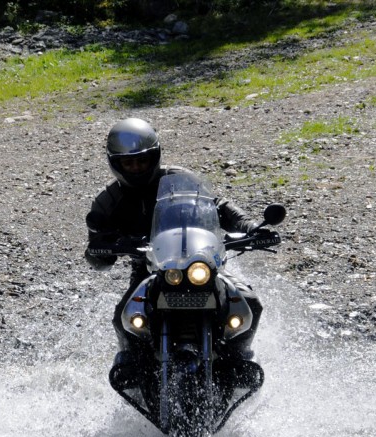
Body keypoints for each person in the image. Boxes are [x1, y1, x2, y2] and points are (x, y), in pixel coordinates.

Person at [84, 117, 266, 366]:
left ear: (155, 156)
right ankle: (136, 368)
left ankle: (238, 360)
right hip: (150, 269)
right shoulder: (107, 201)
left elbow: (218, 207)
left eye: (142, 160)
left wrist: (250, 227)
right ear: (116, 164)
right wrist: (106, 246)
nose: (136, 167)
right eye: (129, 162)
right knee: (124, 318)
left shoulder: (182, 180)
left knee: (250, 303)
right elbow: (98, 258)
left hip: (199, 262)